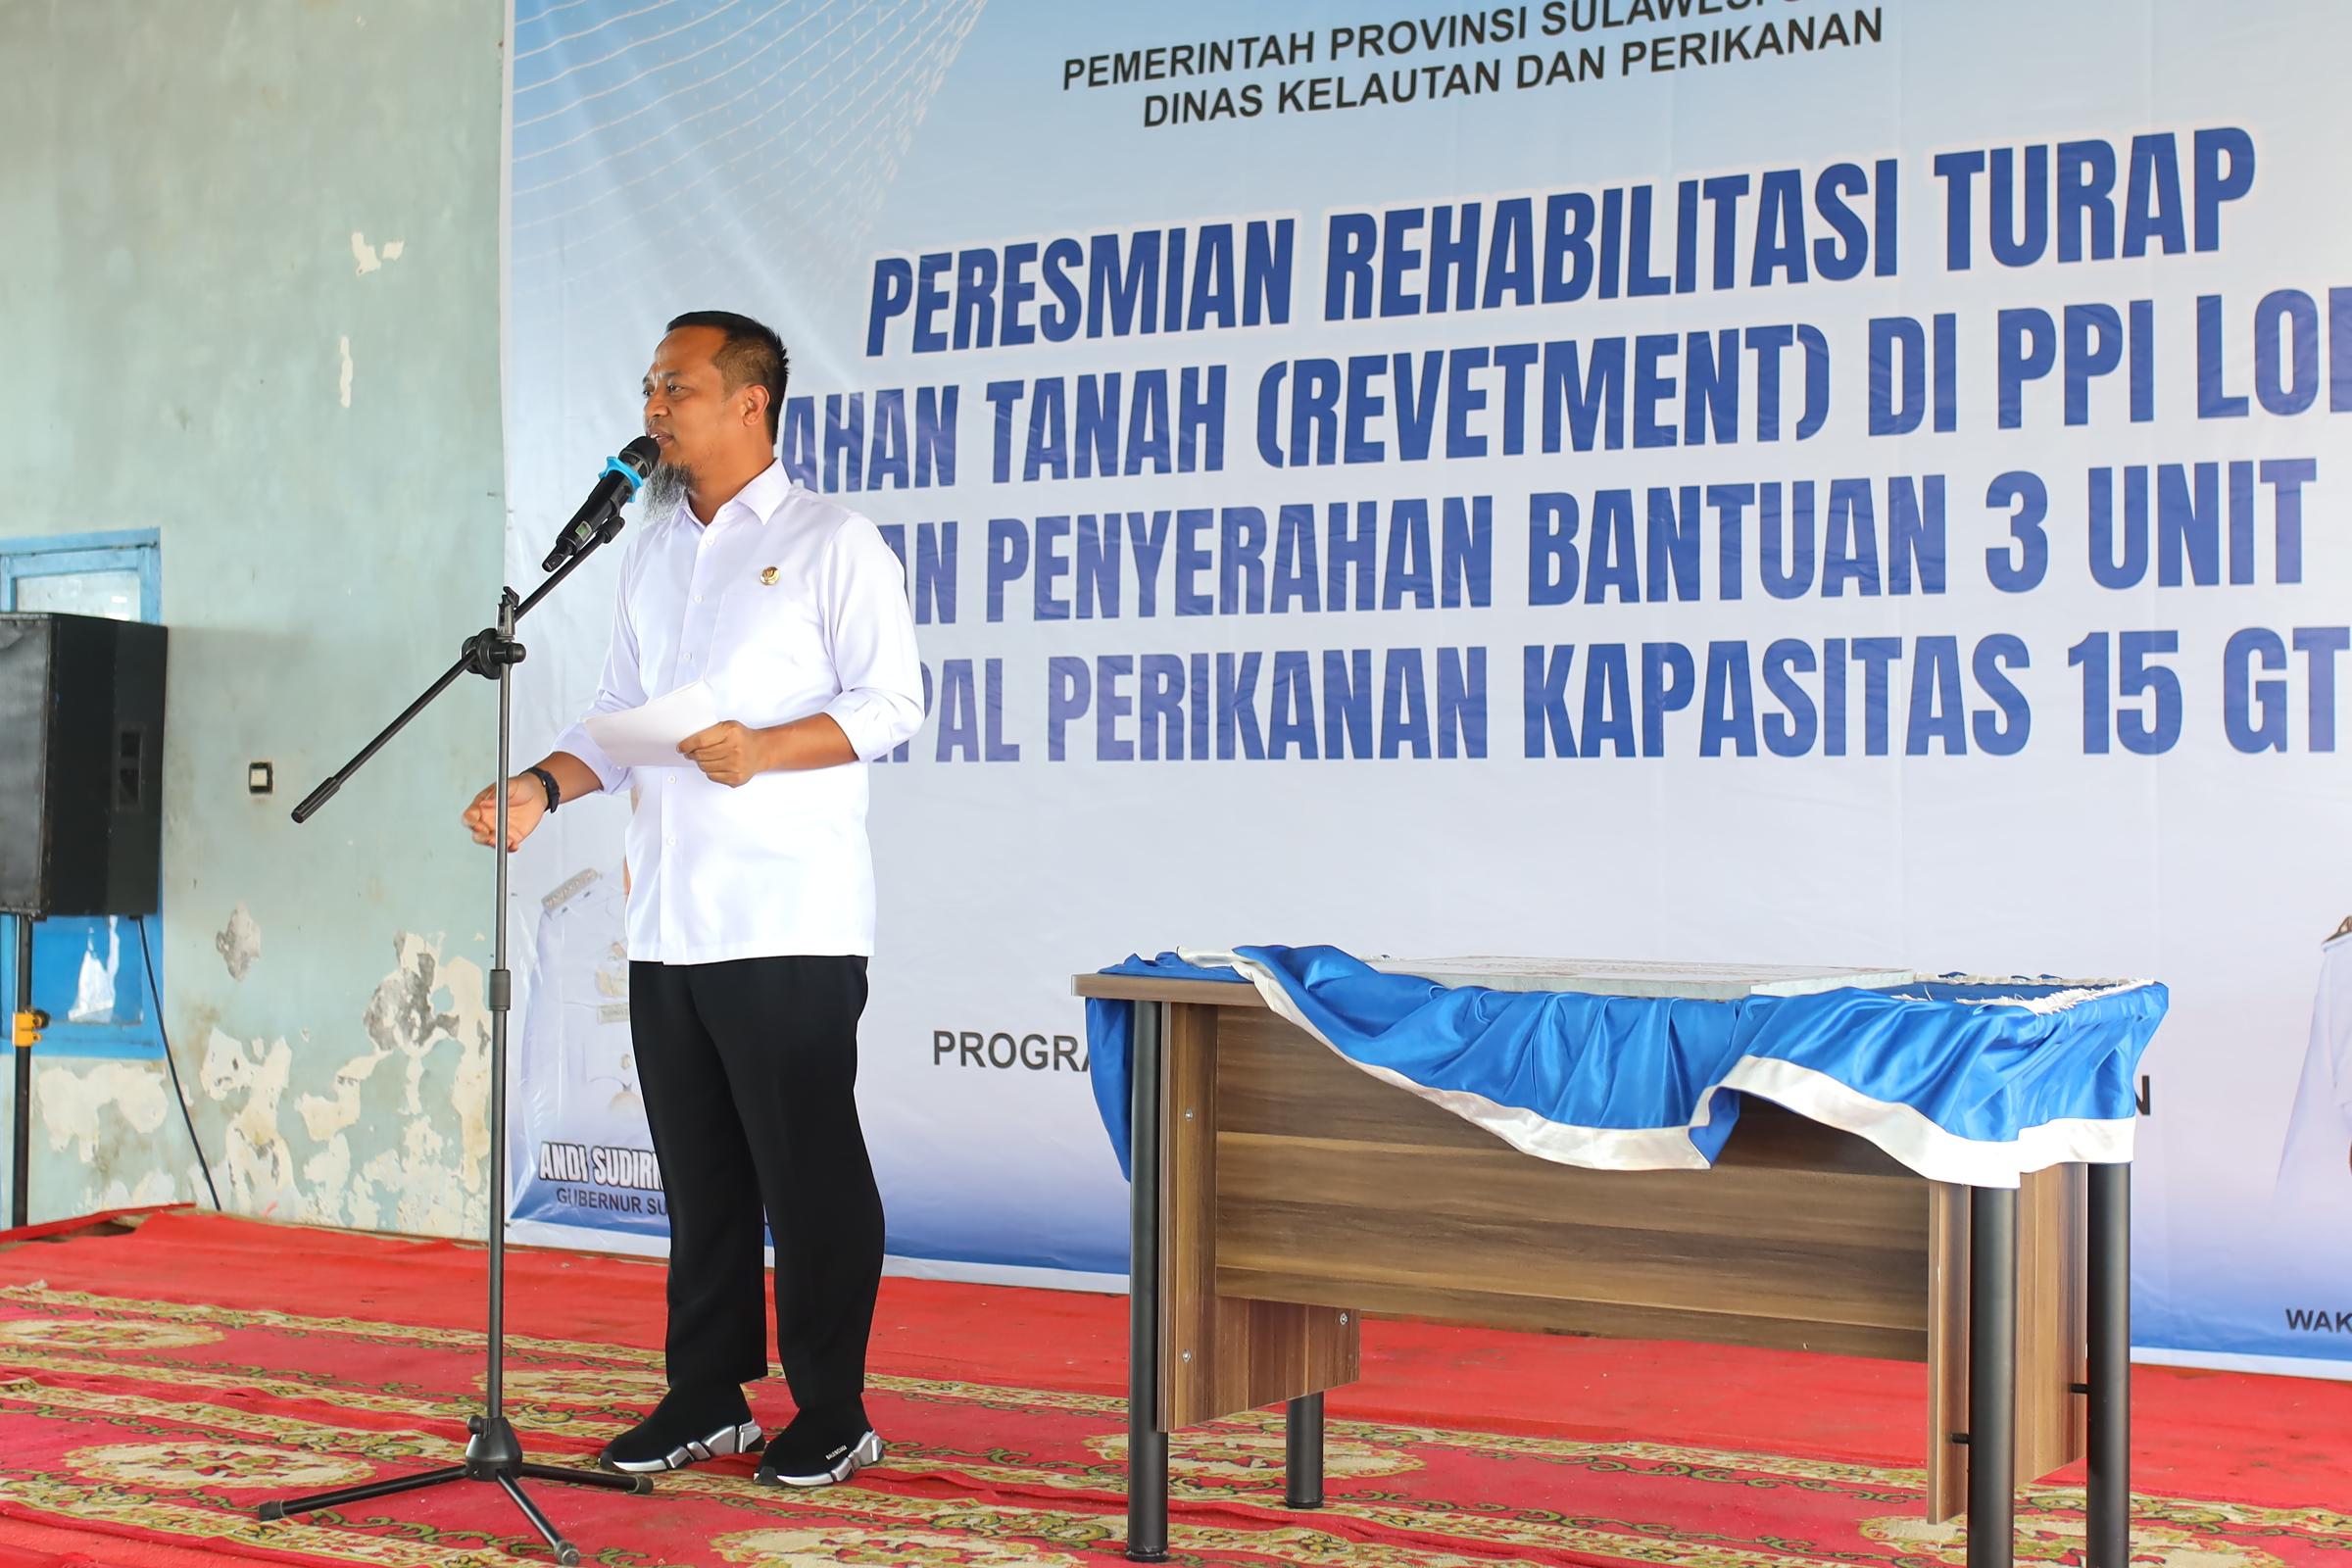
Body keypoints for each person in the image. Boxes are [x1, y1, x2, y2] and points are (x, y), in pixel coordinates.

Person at [463, 310, 923, 1487]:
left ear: (750, 402)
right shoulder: (654, 549)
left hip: (787, 917)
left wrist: (763, 749)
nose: (653, 409)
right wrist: (542, 785)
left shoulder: (833, 542)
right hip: (667, 919)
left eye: (677, 388)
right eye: (650, 388)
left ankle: (834, 1408)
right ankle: (707, 1394)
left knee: (808, 1172)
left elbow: (892, 705)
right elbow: (617, 719)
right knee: (701, 1173)